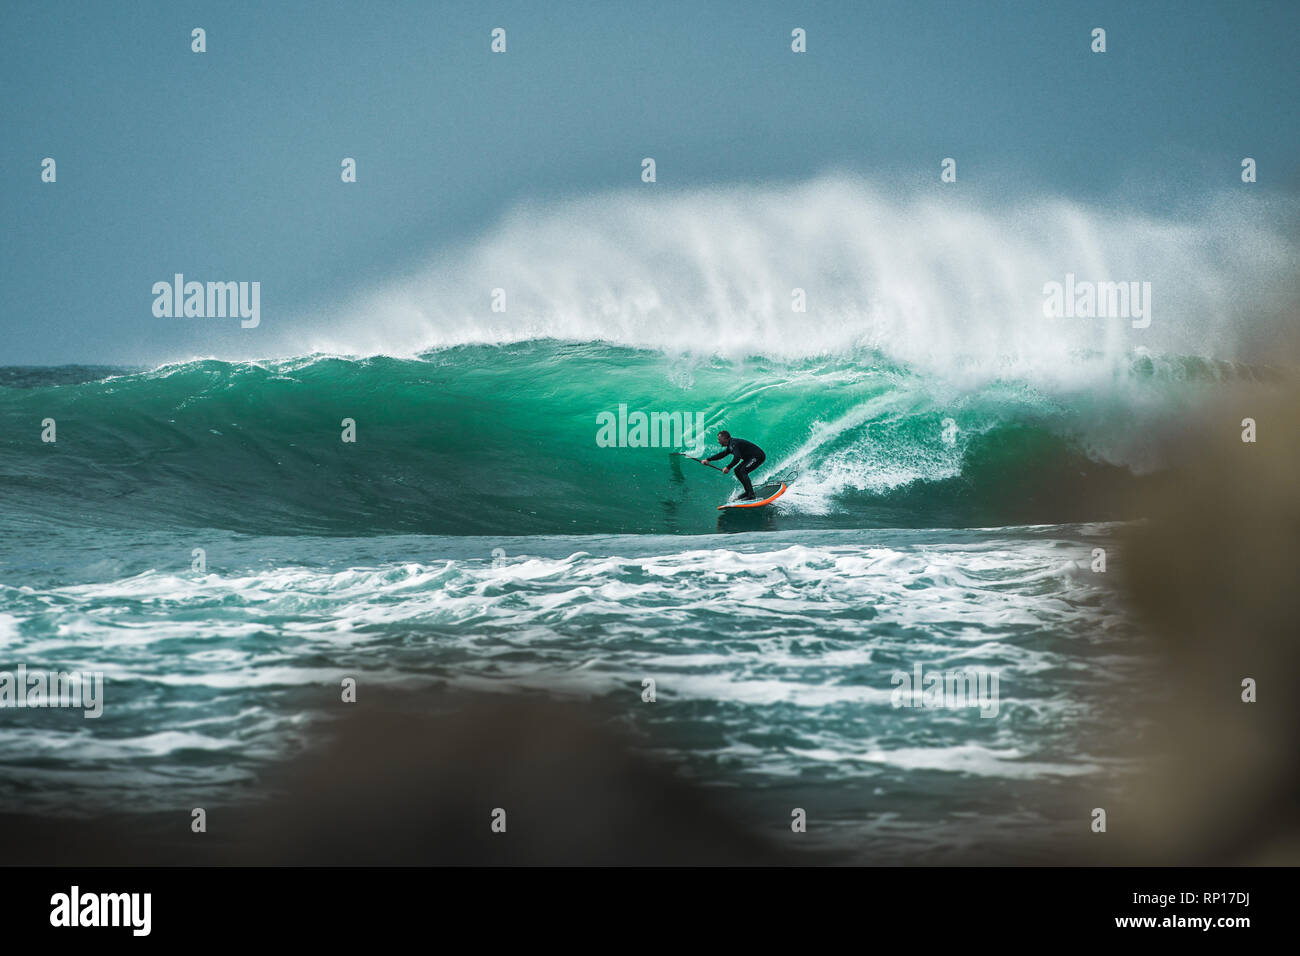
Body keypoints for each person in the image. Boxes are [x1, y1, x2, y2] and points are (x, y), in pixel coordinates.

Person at [705, 431, 766, 499]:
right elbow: (722, 454)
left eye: (719, 439)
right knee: (737, 470)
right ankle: (748, 492)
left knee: (743, 471)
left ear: (725, 439)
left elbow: (737, 457)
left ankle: (751, 494)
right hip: (750, 458)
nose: (718, 441)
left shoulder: (733, 444)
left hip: (758, 456)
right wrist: (708, 459)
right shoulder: (730, 445)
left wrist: (728, 467)